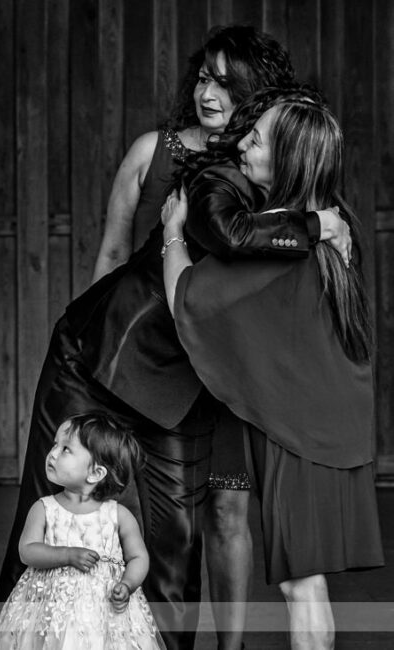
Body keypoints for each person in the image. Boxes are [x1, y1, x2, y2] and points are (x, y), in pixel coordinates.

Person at [0, 26, 352, 650]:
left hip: (183, 379)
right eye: (204, 76)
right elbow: (226, 235)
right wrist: (315, 224)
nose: (208, 91)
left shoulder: (281, 176)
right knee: (47, 504)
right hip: (95, 357)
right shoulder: (217, 174)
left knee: (176, 539)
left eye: (227, 82)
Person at [161, 86, 383, 649]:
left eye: (257, 140)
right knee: (307, 586)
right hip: (332, 426)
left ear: (285, 160)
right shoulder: (332, 225)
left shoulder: (285, 239)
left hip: (299, 435)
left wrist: (172, 231)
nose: (243, 146)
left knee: (301, 587)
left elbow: (187, 297)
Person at [0, 413, 163, 650]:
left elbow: (138, 557)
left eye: (65, 449)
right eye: (55, 445)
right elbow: (27, 551)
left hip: (105, 615)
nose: (52, 453)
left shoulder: (118, 516)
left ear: (95, 473)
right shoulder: (44, 508)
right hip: (50, 613)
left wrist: (127, 584)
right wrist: (65, 554)